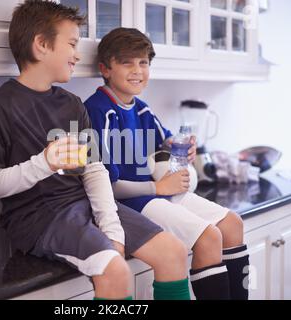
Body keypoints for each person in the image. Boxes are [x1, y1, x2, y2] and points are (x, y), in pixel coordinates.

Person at [0, 1, 190, 300]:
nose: (77, 54)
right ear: (41, 45)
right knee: (116, 271)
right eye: (72, 43)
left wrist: (111, 228)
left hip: (84, 204)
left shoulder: (72, 104)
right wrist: (44, 163)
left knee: (173, 252)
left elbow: (94, 170)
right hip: (39, 218)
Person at [84, 27, 250, 300]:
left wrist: (180, 145)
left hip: (157, 192)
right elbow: (104, 186)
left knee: (233, 224)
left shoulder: (141, 108)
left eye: (144, 62)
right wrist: (157, 187)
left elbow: (167, 140)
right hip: (130, 203)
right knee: (209, 238)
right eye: (127, 62)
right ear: (105, 68)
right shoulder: (95, 111)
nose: (137, 70)